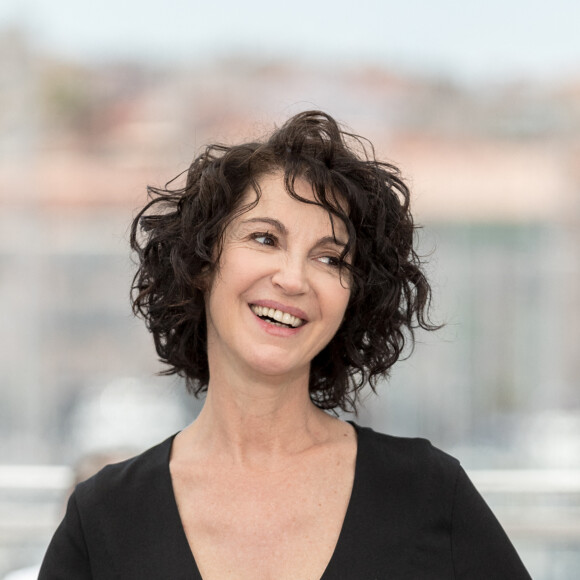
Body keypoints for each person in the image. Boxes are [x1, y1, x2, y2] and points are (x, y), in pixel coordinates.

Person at [39, 111, 531, 579]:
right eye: (265, 239)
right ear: (203, 262)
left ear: (353, 299)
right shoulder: (104, 517)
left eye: (331, 259)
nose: (294, 279)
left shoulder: (427, 492)